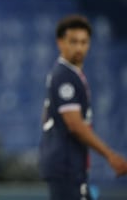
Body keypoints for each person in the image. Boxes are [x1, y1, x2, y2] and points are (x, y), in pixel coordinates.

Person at [39, 14, 127, 200]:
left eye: (84, 42)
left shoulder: (65, 73)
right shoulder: (65, 76)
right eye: (73, 41)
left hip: (68, 165)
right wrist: (109, 155)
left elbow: (46, 115)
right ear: (60, 43)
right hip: (66, 166)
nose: (79, 47)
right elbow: (75, 124)